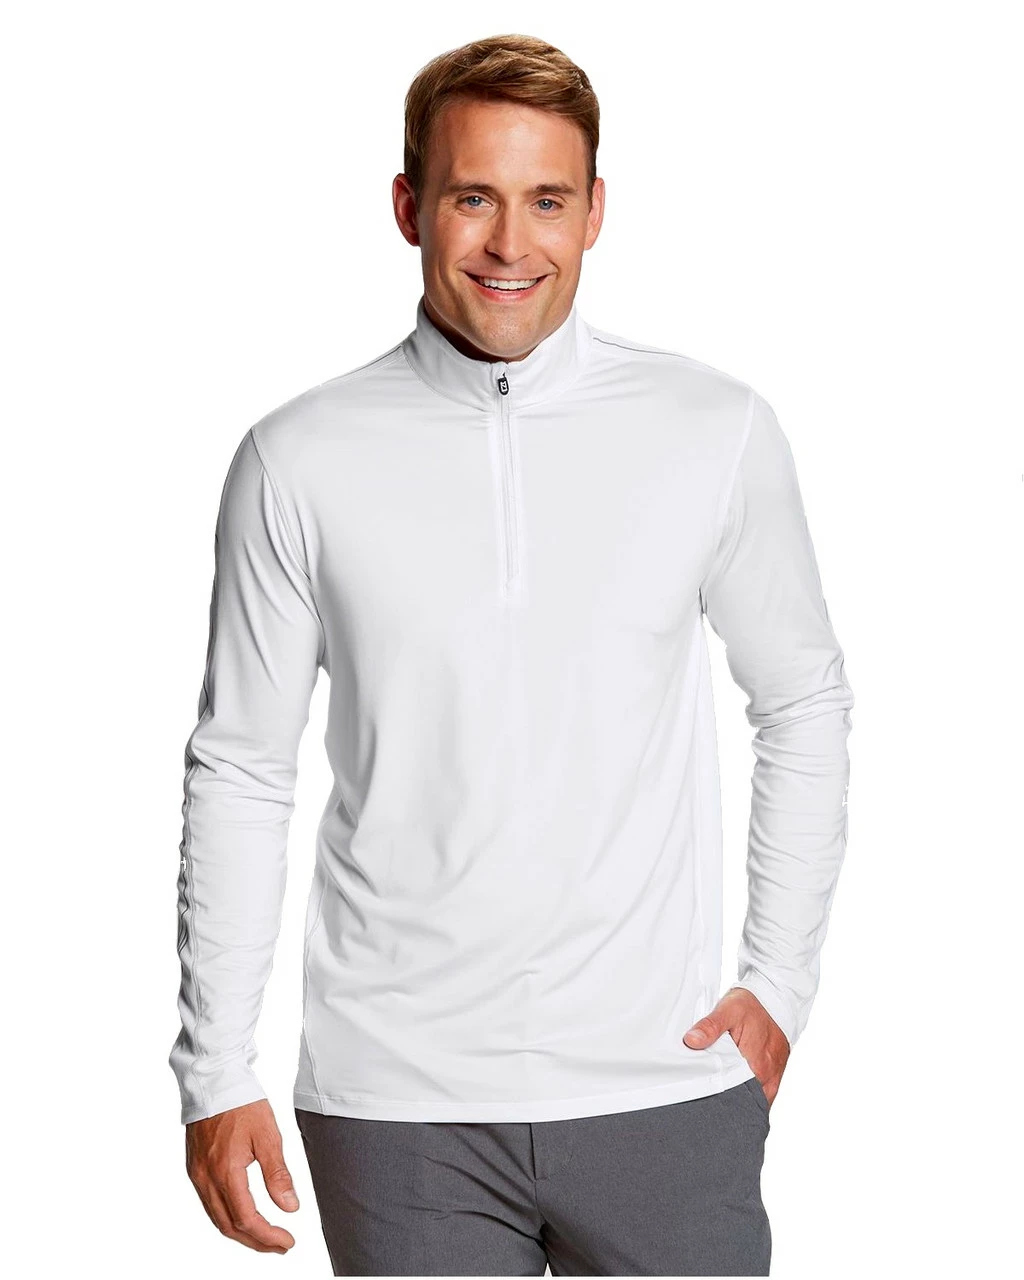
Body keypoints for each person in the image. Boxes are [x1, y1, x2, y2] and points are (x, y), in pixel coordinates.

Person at [169, 32, 854, 1277]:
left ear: (594, 212)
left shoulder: (712, 429)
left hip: (663, 1082)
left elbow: (802, 699)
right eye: (472, 197)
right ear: (408, 208)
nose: (508, 243)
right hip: (394, 1103)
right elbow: (242, 765)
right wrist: (214, 1066)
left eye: (546, 200)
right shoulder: (298, 457)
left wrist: (780, 985)